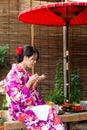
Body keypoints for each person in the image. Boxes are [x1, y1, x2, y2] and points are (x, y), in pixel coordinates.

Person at [4, 45, 66, 130]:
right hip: (18, 109)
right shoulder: (13, 75)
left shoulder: (26, 73)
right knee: (49, 113)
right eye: (33, 59)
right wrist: (29, 82)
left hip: (27, 106)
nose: (35, 62)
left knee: (50, 111)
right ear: (25, 58)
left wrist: (35, 83)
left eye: (36, 59)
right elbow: (17, 98)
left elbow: (31, 93)